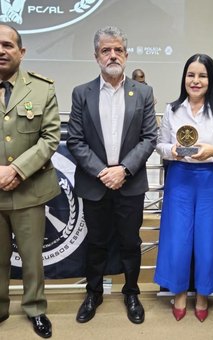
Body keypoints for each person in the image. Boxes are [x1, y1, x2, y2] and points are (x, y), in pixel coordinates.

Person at [67, 26, 157, 325]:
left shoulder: (143, 92)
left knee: (131, 241)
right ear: (96, 57)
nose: (112, 55)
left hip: (130, 184)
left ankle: (131, 292)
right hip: (95, 184)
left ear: (127, 55)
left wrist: (124, 170)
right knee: (96, 242)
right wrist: (104, 172)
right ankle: (93, 293)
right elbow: (76, 140)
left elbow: (149, 137)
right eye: (106, 50)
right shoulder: (82, 93)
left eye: (118, 49)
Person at [154, 53, 213, 322]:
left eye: (202, 75)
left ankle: (203, 294)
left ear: (210, 79)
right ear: (184, 78)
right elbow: (160, 145)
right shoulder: (172, 109)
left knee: (208, 240)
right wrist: (174, 150)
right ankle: (178, 292)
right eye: (191, 75)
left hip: (209, 180)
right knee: (176, 239)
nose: (196, 80)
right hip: (179, 178)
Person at [0, 24, 60, 338]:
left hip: (29, 191)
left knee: (32, 258)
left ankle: (35, 309)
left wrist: (16, 170)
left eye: (8, 45)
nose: (1, 50)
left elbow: (50, 138)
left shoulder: (41, 88)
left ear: (21, 52)